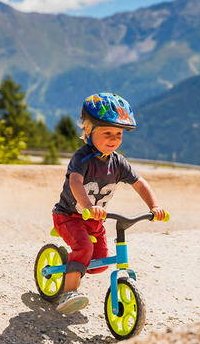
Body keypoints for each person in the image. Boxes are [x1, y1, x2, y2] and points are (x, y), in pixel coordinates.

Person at [52, 92, 165, 315]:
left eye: (118, 134)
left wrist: (154, 206)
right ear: (88, 130)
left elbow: (140, 183)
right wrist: (87, 206)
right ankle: (68, 293)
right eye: (107, 133)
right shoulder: (82, 158)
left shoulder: (118, 162)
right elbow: (75, 182)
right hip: (69, 216)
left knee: (101, 262)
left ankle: (75, 265)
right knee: (84, 247)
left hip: (95, 219)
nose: (113, 139)